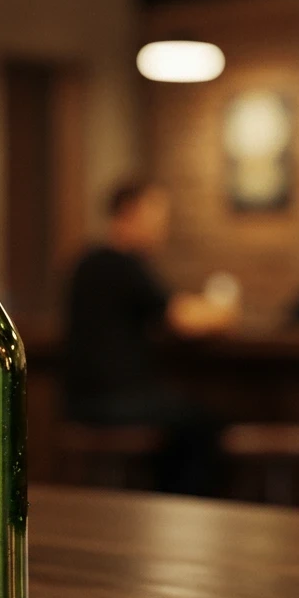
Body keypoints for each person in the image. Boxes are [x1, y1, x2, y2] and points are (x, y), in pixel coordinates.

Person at [64, 181, 237, 495]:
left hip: (80, 401)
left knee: (184, 420)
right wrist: (223, 311)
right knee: (202, 424)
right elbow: (184, 319)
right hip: (115, 402)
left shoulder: (86, 262)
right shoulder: (124, 264)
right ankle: (185, 514)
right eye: (157, 218)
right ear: (130, 214)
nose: (162, 229)